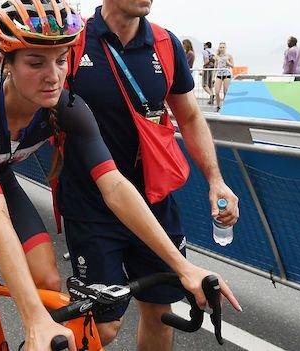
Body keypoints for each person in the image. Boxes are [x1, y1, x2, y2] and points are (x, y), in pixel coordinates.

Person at [0, 1, 240, 351]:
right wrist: (32, 318)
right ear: (5, 62)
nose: (53, 76)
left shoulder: (67, 108)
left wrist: (183, 266)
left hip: (0, 183)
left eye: (61, 60)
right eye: (35, 62)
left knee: (48, 279)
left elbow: (115, 185)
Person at [63, 2, 241, 349]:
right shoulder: (76, 42)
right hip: (92, 206)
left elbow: (189, 117)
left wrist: (215, 179)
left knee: (160, 311)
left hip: (155, 202)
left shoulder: (164, 43)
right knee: (105, 323)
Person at [214, 42, 234, 112]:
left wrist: (228, 62)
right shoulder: (216, 56)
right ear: (219, 48)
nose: (222, 49)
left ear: (225, 48)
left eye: (223, 47)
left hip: (226, 75)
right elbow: (215, 67)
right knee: (216, 91)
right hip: (219, 75)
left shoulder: (229, 56)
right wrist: (213, 77)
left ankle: (226, 106)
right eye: (220, 47)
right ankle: (218, 106)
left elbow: (232, 66)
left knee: (225, 91)